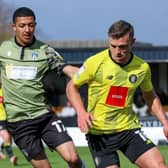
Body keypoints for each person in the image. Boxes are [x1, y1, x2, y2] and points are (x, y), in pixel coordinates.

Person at [66, 20, 168, 168]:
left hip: (128, 129)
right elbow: (71, 87)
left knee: (159, 166)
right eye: (113, 46)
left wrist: (165, 122)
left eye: (122, 47)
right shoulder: (95, 63)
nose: (117, 51)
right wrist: (81, 112)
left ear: (133, 42)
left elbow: (150, 96)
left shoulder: (142, 68)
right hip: (99, 134)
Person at [0, 7, 86, 168]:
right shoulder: (3, 50)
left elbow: (67, 69)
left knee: (73, 158)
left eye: (31, 25)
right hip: (19, 124)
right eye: (22, 25)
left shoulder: (45, 51)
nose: (27, 29)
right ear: (14, 27)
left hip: (44, 117)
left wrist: (91, 73)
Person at [0, 85, 18, 165]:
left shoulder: (4, 89)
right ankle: (11, 157)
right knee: (6, 136)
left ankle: (0, 148)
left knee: (9, 139)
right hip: (0, 119)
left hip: (8, 117)